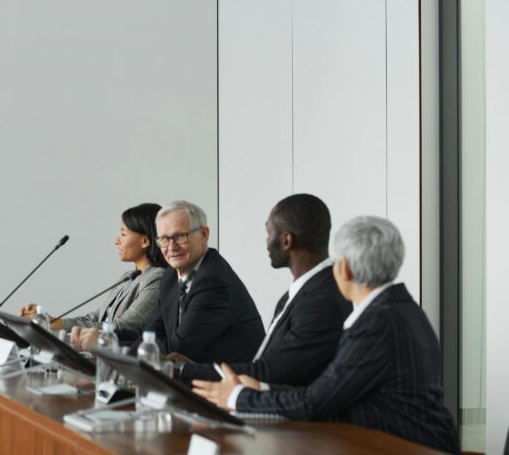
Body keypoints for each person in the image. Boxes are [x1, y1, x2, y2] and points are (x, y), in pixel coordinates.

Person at [193, 216, 459, 454]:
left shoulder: (376, 322)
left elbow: (317, 402)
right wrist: (263, 388)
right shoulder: (400, 307)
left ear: (344, 268)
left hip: (408, 446)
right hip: (415, 440)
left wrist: (237, 397)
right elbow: (333, 392)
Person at [177, 194, 351, 386]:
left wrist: (182, 371)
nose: (267, 241)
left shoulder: (321, 301)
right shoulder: (307, 290)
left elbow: (271, 372)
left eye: (269, 233)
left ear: (286, 241)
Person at [118, 200, 264, 363]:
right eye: (164, 239)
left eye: (180, 236)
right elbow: (148, 332)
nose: (171, 247)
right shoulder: (171, 276)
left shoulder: (213, 281)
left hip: (230, 382)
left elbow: (177, 350)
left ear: (204, 234)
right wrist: (104, 338)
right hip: (189, 376)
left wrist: (115, 350)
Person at [21, 203, 167, 350]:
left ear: (145, 241)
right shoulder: (128, 276)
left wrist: (58, 326)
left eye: (123, 234)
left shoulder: (157, 278)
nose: (117, 240)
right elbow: (95, 319)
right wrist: (51, 322)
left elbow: (122, 326)